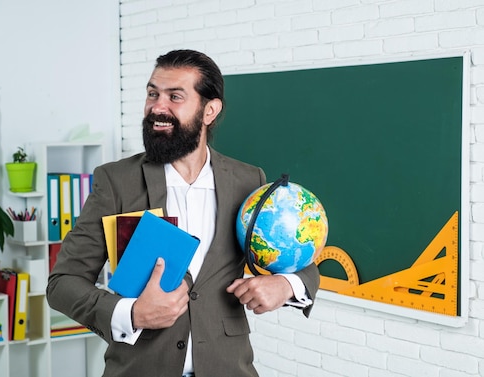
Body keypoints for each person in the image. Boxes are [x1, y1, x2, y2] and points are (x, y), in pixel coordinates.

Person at [47, 49, 319, 377]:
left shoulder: (248, 181)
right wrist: (130, 314)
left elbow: (300, 260)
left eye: (175, 96)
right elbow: (62, 283)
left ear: (209, 110)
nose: (157, 107)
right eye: (152, 94)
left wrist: (286, 285)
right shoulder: (117, 181)